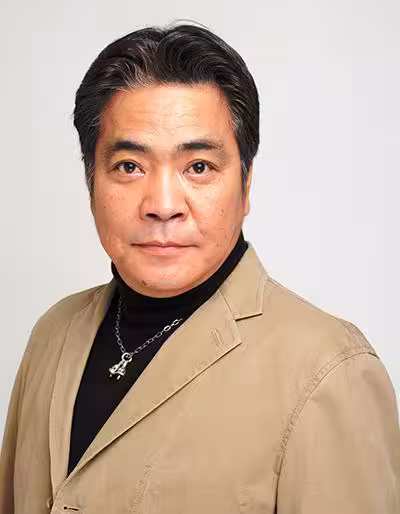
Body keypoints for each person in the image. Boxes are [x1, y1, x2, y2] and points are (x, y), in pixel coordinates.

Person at [0, 23, 399, 514]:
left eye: (199, 167)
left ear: (246, 186)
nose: (163, 205)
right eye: (129, 166)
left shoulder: (329, 372)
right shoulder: (53, 333)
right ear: (91, 182)